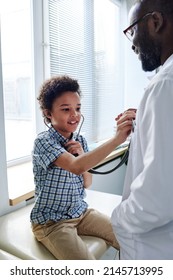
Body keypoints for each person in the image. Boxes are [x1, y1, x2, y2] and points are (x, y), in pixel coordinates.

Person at [30, 75, 135, 260]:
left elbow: (87, 181)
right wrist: (118, 138)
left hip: (80, 212)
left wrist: (81, 155)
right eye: (66, 109)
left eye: (77, 108)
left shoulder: (80, 140)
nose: (75, 115)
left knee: (130, 239)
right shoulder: (43, 142)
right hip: (52, 222)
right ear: (48, 113)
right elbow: (75, 167)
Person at [111, 0, 173, 259]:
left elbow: (156, 200)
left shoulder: (164, 85)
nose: (133, 43)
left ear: (155, 22)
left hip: (154, 248)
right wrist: (143, 122)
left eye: (132, 30)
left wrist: (119, 218)